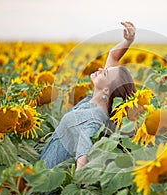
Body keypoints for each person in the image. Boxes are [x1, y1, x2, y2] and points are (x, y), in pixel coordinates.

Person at [40, 21, 137, 171]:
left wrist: (79, 187)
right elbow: (113, 56)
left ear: (106, 90)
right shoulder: (98, 101)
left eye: (104, 72)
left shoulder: (93, 119)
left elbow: (83, 160)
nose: (100, 68)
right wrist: (128, 40)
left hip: (47, 181)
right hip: (40, 171)